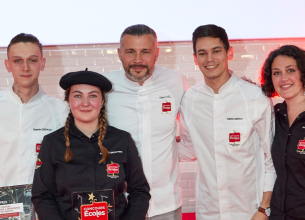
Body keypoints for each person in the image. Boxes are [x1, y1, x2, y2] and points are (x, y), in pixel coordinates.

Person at [178, 24, 275, 220]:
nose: (210, 59)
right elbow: (188, 148)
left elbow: (271, 158)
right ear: (195, 59)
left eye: (216, 51)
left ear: (229, 53)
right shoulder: (190, 100)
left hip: (249, 210)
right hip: (208, 210)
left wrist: (264, 208)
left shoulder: (255, 97)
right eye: (202, 53)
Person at [31, 69, 150, 220]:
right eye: (78, 96)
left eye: (93, 95)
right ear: (68, 100)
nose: (85, 103)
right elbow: (42, 195)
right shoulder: (51, 143)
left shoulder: (122, 140)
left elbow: (140, 191)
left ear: (102, 101)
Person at [105, 24, 187, 219]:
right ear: (119, 54)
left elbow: (199, 112)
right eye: (130, 52)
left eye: (145, 52)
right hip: (120, 204)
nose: (138, 60)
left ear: (156, 53)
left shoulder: (174, 81)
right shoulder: (105, 87)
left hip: (167, 204)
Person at [0, 33, 69, 187]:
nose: (25, 67)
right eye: (17, 61)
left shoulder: (60, 111)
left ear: (42, 64)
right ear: (7, 65)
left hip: (44, 207)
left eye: (32, 60)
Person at [261, 45, 305, 220]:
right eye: (277, 72)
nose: (283, 78)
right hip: (278, 214)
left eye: (291, 70)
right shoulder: (274, 115)